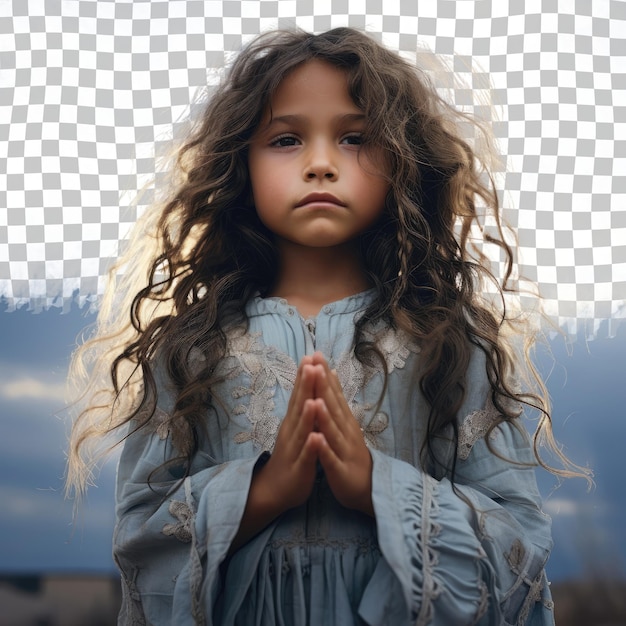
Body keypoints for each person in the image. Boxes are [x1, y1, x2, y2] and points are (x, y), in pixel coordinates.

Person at [66, 27, 586, 625]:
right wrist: (263, 492)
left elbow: (518, 540)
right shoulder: (192, 352)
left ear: (402, 159)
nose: (319, 163)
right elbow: (141, 539)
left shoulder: (446, 343)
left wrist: (377, 488)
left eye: (355, 138)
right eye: (286, 139)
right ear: (241, 164)